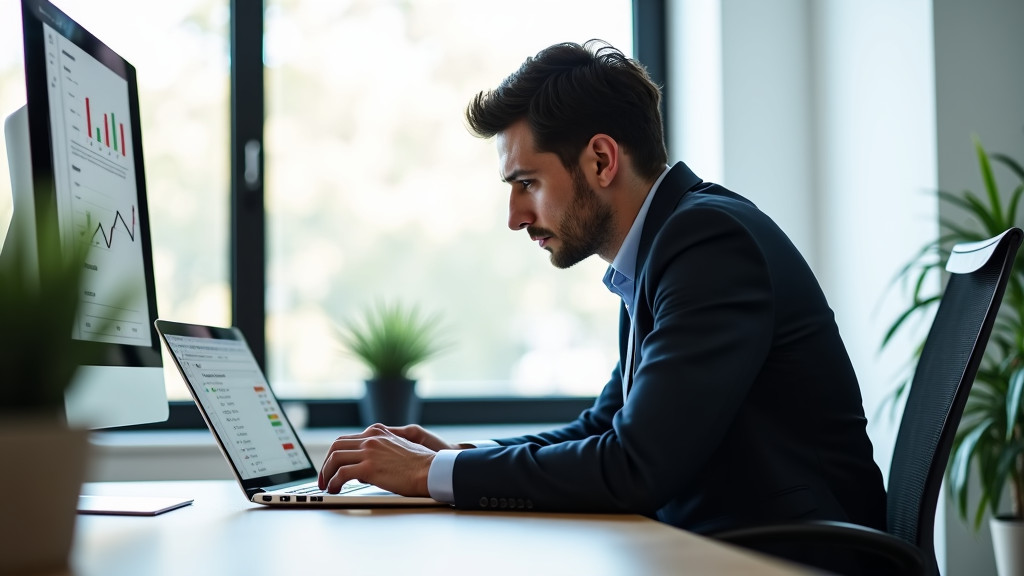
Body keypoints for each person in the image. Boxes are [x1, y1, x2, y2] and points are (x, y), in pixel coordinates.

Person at [319, 39, 886, 564]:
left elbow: (634, 465)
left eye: (527, 184)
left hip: (796, 561)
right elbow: (604, 425)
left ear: (601, 160)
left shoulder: (709, 245)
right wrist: (454, 456)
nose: (515, 217)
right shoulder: (661, 247)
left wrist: (435, 473)